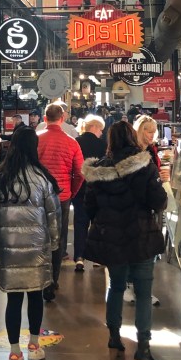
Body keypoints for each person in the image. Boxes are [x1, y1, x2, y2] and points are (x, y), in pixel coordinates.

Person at [82, 121, 167, 360]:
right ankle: (143, 349)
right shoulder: (144, 165)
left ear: (110, 141)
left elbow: (89, 208)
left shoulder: (98, 170)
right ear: (132, 138)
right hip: (141, 235)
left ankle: (114, 337)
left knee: (115, 287)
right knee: (143, 293)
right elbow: (158, 201)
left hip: (112, 238)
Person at [0, 125, 61, 360]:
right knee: (35, 297)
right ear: (33, 148)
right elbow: (53, 216)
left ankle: (14, 355)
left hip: (9, 250)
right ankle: (35, 347)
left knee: (13, 300)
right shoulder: (43, 179)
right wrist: (55, 243)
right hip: (37, 249)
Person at [36, 103, 85, 301]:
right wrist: (72, 190)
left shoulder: (36, 140)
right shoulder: (72, 142)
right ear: (62, 119)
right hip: (62, 197)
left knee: (39, 237)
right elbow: (80, 172)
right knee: (58, 238)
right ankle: (53, 281)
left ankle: (38, 278)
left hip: (38, 196)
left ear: (45, 118)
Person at [73, 114, 106, 272]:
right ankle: (96, 258)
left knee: (80, 222)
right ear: (94, 127)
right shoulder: (103, 145)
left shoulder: (76, 142)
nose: (101, 133)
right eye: (101, 129)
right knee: (97, 222)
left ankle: (79, 257)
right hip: (98, 188)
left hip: (80, 188)